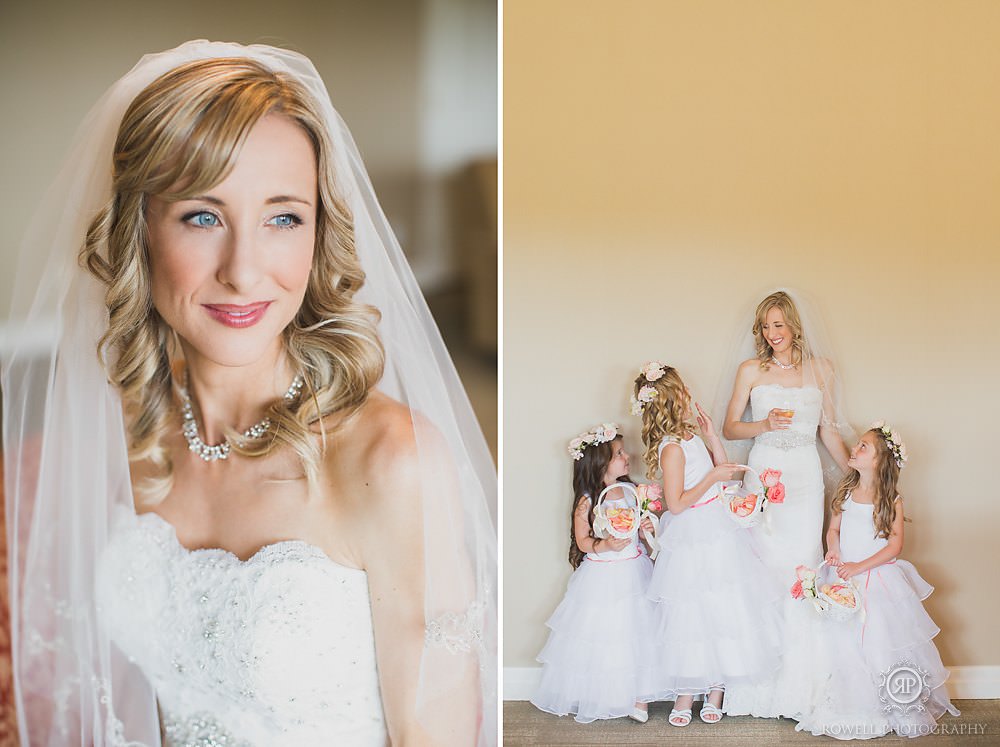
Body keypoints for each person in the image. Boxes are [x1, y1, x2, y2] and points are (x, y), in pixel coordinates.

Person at [1, 41, 496, 746]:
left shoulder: (393, 462)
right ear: (140, 229)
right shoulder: (128, 428)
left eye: (283, 217)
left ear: (319, 233)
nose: (243, 269)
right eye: (203, 216)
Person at [717, 289, 852, 719]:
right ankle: (756, 680)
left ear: (795, 325)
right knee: (763, 568)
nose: (771, 333)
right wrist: (764, 423)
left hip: (805, 480)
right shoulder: (750, 370)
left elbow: (829, 431)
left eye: (778, 324)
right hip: (765, 472)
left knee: (802, 566)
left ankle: (802, 680)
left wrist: (856, 476)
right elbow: (730, 428)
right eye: (765, 326)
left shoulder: (821, 369)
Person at [633, 362, 782, 727]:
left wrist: (712, 436)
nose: (689, 395)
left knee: (722, 606)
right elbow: (678, 503)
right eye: (682, 392)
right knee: (691, 613)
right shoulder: (671, 449)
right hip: (693, 532)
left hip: (718, 527)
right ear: (670, 401)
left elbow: (722, 467)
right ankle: (688, 689)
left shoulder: (691, 437)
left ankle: (716, 688)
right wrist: (713, 477)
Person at [794, 424, 960, 739]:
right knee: (841, 640)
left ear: (879, 461)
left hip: (877, 578)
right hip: (843, 574)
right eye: (858, 445)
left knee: (880, 642)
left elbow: (894, 547)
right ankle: (848, 699)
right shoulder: (845, 491)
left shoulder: (891, 499)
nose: (854, 449)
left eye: (863, 447)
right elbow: (834, 530)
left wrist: (859, 566)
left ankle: (888, 702)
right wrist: (834, 549)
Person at [530, 424, 661, 724]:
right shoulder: (587, 500)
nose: (627, 457)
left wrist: (646, 528)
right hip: (603, 576)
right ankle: (606, 693)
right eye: (618, 454)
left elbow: (640, 528)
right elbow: (583, 541)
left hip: (635, 569)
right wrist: (604, 544)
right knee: (607, 634)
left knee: (639, 632)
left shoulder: (632, 492)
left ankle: (640, 696)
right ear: (600, 462)